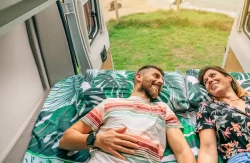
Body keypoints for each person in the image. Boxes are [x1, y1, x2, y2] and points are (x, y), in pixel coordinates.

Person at [59, 65, 196, 163]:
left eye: (162, 81)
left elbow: (182, 151)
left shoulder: (163, 108)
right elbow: (65, 140)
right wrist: (97, 140)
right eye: (156, 76)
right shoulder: (109, 103)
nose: (160, 82)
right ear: (139, 77)